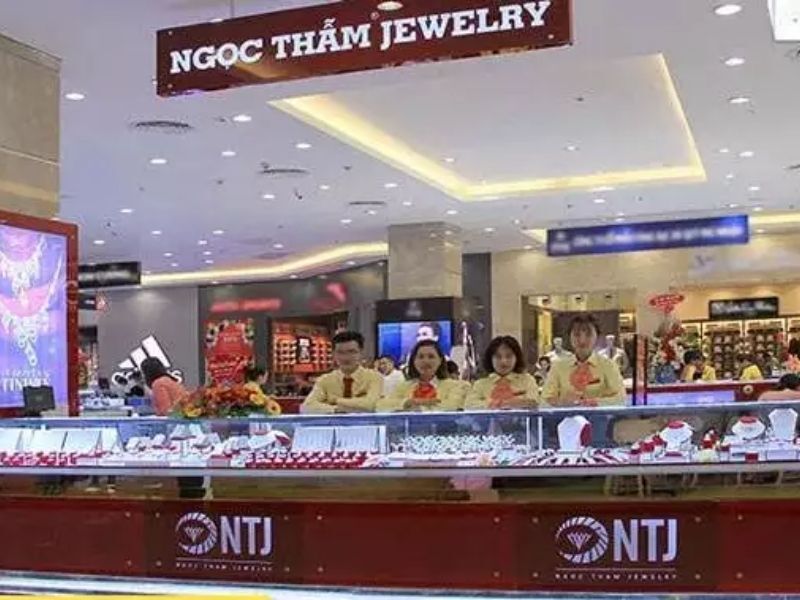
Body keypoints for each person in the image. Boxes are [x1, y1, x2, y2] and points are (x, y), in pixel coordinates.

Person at [541, 314, 626, 407]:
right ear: (569, 337)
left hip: (601, 416)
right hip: (566, 416)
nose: (582, 340)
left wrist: (594, 402)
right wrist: (562, 402)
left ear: (597, 336)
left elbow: (621, 398)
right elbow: (544, 401)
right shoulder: (558, 367)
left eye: (588, 334)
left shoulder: (608, 365)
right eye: (577, 334)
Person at [301, 331, 383, 414]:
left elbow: (371, 405)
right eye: (340, 352)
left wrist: (335, 400)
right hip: (332, 422)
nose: (346, 358)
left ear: (361, 353)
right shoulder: (325, 380)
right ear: (333, 354)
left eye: (351, 352)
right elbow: (306, 407)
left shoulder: (374, 377)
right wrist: (336, 409)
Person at [379, 340, 465, 412]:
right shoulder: (403, 386)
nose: (425, 361)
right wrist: (409, 402)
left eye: (431, 357)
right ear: (414, 361)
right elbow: (380, 406)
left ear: (440, 360)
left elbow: (450, 407)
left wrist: (415, 407)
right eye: (420, 357)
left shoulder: (456, 386)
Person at [466, 336, 538, 410]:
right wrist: (501, 404)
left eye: (509, 356)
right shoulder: (480, 384)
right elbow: (469, 406)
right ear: (490, 359)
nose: (503, 361)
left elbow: (533, 402)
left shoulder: (527, 381)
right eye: (498, 357)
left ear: (517, 358)